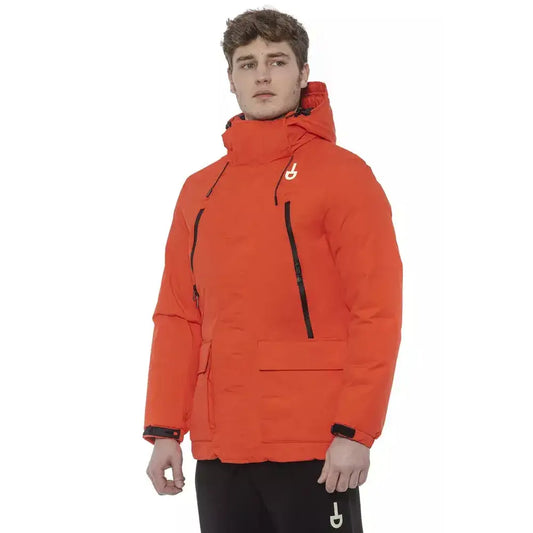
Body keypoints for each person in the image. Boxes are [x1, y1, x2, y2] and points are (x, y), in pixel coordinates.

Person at [142, 8, 403, 533]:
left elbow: (376, 311)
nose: (262, 75)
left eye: (277, 61)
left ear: (303, 74)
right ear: (231, 78)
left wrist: (355, 431)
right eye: (248, 64)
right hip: (221, 449)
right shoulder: (199, 190)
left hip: (315, 445)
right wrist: (166, 429)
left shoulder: (344, 176)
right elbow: (178, 316)